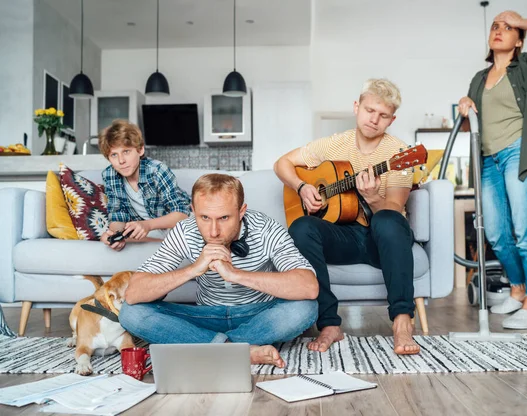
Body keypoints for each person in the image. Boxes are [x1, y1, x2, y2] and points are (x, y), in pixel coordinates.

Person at [273, 78, 420, 355]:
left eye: (383, 115)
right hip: (345, 236)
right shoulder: (334, 145)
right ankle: (329, 324)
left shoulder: (400, 154)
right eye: (369, 110)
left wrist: (374, 198)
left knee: (387, 220)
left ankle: (402, 321)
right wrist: (303, 187)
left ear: (392, 119)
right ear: (357, 107)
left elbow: (392, 208)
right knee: (302, 226)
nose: (374, 119)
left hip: (384, 240)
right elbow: (281, 163)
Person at [119, 174, 319, 367]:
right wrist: (193, 269)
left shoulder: (266, 229)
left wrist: (235, 274)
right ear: (193, 210)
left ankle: (210, 347)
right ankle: (237, 350)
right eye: (204, 217)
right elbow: (134, 293)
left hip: (257, 316)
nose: (213, 231)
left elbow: (308, 286)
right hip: (206, 317)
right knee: (131, 313)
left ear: (241, 212)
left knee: (305, 308)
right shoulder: (185, 231)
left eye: (224, 218)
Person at [457, 11, 527, 329]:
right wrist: (464, 105)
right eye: (495, 26)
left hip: (520, 153)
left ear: (518, 40)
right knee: (497, 233)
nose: (499, 30)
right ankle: (516, 289)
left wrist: (520, 20)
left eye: (507, 28)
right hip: (488, 161)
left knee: (525, 231)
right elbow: (469, 128)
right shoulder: (478, 78)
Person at [98, 120, 191, 251]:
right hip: (151, 230)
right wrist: (114, 235)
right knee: (124, 238)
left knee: (188, 234)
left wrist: (147, 225)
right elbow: (118, 214)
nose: (121, 161)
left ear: (140, 150)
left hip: (178, 224)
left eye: (126, 152)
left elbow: (182, 214)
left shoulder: (157, 170)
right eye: (114, 154)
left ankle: (169, 244)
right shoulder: (109, 175)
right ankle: (165, 244)